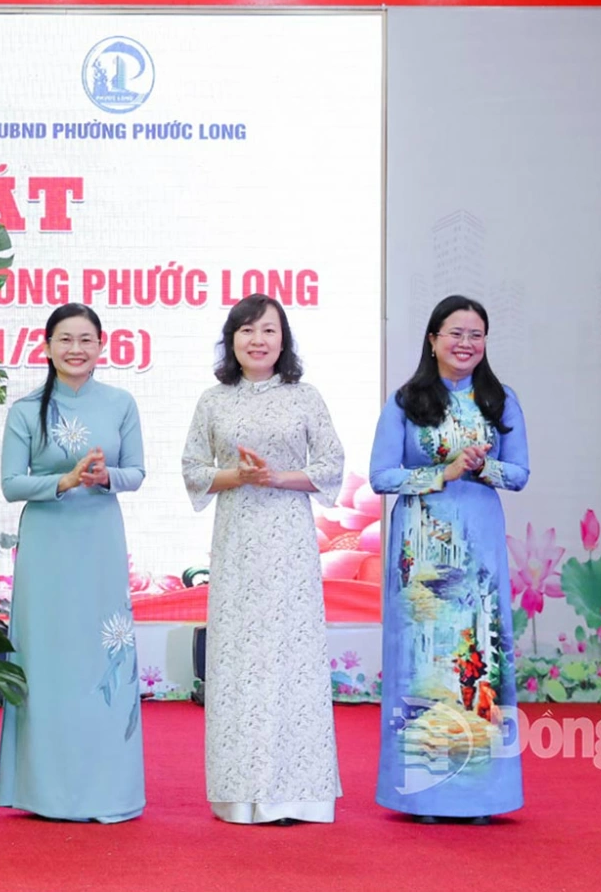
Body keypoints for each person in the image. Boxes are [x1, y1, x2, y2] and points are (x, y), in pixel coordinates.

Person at [181, 294, 345, 825]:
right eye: (247, 330)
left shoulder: (306, 397)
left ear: (283, 339)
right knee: (238, 661)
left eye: (269, 330)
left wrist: (277, 477)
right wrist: (238, 476)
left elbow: (331, 465)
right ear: (231, 340)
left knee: (293, 658)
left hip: (290, 542)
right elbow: (193, 468)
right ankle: (240, 794)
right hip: (236, 543)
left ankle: (300, 795)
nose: (258, 340)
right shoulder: (213, 401)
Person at [371, 295, 528, 824]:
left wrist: (482, 469)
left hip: (479, 549)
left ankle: (480, 795)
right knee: (425, 664)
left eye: (475, 335)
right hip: (421, 553)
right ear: (433, 339)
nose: (465, 343)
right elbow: (381, 477)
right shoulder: (406, 401)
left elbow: (519, 474)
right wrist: (443, 472)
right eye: (455, 333)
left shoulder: (500, 401)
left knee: (478, 659)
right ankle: (424, 794)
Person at [0, 304, 147, 823]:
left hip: (99, 541)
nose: (75, 349)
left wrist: (105, 478)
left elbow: (136, 472)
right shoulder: (25, 410)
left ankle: (108, 791)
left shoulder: (121, 403)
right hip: (47, 546)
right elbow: (11, 484)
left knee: (99, 659)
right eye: (65, 339)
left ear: (102, 345)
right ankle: (44, 792)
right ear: (46, 347)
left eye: (86, 339)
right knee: (48, 660)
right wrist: (62, 481)